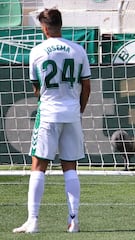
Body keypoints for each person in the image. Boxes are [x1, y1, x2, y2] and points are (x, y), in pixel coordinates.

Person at [13, 8, 91, 233]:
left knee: (38, 166)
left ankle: (33, 220)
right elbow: (86, 86)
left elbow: (36, 87)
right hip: (71, 113)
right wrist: (79, 109)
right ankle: (73, 220)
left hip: (48, 113)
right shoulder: (78, 50)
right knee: (70, 167)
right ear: (60, 25)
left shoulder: (37, 51)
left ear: (44, 28)